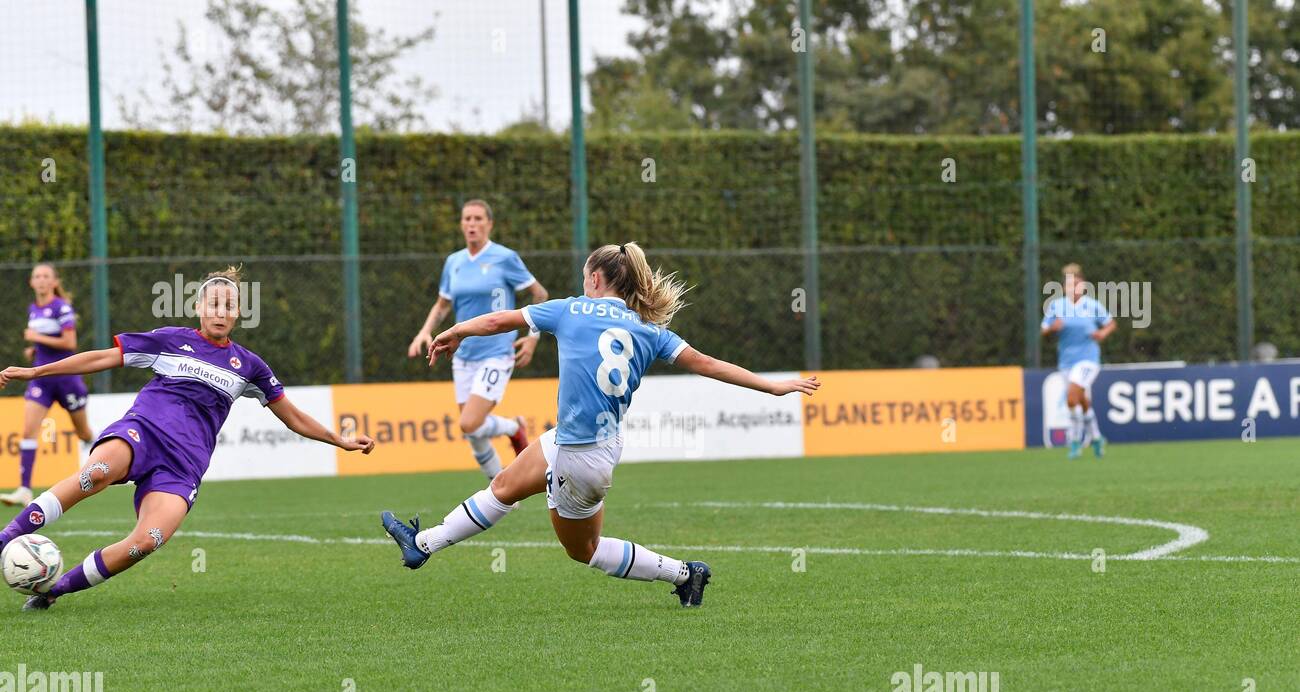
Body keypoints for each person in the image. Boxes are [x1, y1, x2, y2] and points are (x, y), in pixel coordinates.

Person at [382, 242, 820, 608]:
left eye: (584, 275)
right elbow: (706, 363)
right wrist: (772, 387)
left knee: (584, 551)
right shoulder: (649, 330)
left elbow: (500, 320)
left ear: (595, 279)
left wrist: (456, 331)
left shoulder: (570, 309)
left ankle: (686, 574)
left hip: (580, 456)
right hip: (592, 443)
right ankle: (422, 545)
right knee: (503, 487)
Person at [0, 267, 375, 611]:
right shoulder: (169, 340)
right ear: (199, 307)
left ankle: (54, 590)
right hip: (141, 433)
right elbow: (101, 359)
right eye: (213, 303)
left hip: (183, 467)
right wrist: (37, 372)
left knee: (146, 541)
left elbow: (292, 415)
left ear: (238, 313)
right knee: (95, 473)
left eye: (229, 305)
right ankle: (7, 538)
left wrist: (338, 440)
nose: (220, 311)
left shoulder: (249, 366)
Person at [406, 199, 548, 477]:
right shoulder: (454, 262)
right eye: (467, 219)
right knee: (471, 429)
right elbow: (442, 305)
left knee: (470, 423)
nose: (471, 224)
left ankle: (512, 430)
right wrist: (425, 331)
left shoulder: (505, 258)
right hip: (462, 355)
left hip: (496, 351)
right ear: (461, 224)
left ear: (489, 224)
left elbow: (540, 295)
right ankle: (501, 487)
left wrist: (533, 338)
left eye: (478, 219)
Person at [1, 263, 95, 507]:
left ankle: (103, 460)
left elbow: (69, 342)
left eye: (45, 276)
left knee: (83, 433)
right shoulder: (34, 309)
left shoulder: (61, 307)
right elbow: (48, 342)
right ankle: (24, 489)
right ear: (31, 282)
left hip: (66, 379)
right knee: (28, 430)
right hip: (41, 379)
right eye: (37, 276)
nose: (41, 280)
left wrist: (36, 338)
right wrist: (35, 349)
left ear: (54, 282)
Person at [1042, 262, 1116, 458]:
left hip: (1088, 360)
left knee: (1071, 398)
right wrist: (1052, 329)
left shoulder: (1092, 305)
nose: (1073, 288)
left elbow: (1110, 324)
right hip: (1066, 361)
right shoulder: (1057, 306)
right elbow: (1044, 330)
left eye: (1076, 284)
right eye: (1069, 285)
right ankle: (1097, 437)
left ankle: (1074, 441)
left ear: (1082, 286)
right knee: (1081, 400)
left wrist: (1102, 334)